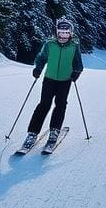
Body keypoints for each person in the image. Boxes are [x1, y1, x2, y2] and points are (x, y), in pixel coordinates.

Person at [22, 19, 83, 149]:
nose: (63, 36)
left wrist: (76, 72)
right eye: (60, 33)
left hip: (65, 81)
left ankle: (54, 131)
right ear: (56, 33)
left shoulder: (74, 46)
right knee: (43, 105)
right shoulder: (50, 44)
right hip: (49, 79)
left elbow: (78, 63)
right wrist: (38, 68)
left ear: (71, 33)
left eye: (66, 34)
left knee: (60, 105)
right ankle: (32, 133)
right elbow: (41, 57)